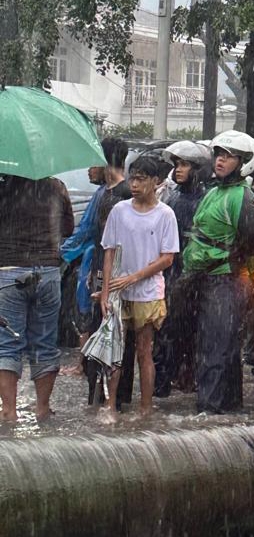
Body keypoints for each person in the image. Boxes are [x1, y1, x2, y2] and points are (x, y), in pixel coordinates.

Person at [181, 130, 254, 414]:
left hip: (225, 280)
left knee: (216, 347)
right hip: (203, 277)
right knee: (216, 346)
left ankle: (209, 411)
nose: (221, 161)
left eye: (228, 157)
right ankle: (227, 409)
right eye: (219, 155)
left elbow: (252, 242)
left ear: (243, 163)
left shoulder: (243, 197)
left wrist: (239, 275)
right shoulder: (213, 191)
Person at [99, 155, 179, 421]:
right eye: (132, 178)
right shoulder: (119, 211)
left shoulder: (165, 214)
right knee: (115, 349)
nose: (134, 184)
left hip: (148, 291)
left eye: (141, 179)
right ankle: (110, 407)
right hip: (120, 290)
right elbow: (108, 252)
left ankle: (146, 409)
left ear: (155, 183)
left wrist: (134, 278)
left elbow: (167, 258)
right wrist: (107, 290)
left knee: (144, 350)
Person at [0, 173, 74, 421]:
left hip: (9, 273)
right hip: (48, 272)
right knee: (45, 342)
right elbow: (68, 228)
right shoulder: (56, 186)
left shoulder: (4, 187)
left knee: (7, 345)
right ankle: (42, 408)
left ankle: (9, 411)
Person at [154, 141, 211, 397]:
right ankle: (163, 382)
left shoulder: (205, 199)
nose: (178, 169)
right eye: (176, 164)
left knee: (189, 331)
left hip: (194, 272)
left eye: (184, 164)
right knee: (167, 330)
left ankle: (185, 377)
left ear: (197, 169)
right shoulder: (172, 195)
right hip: (171, 268)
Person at [86, 137, 132, 405]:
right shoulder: (106, 192)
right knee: (99, 336)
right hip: (101, 272)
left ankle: (116, 401)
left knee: (117, 338)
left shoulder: (126, 193)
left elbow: (121, 243)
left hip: (117, 277)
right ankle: (97, 399)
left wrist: (112, 281)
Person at [59, 164, 107, 375]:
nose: (89, 171)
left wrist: (63, 249)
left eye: (92, 166)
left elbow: (86, 228)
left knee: (86, 308)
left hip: (91, 260)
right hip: (92, 258)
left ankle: (85, 364)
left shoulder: (103, 195)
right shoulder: (102, 192)